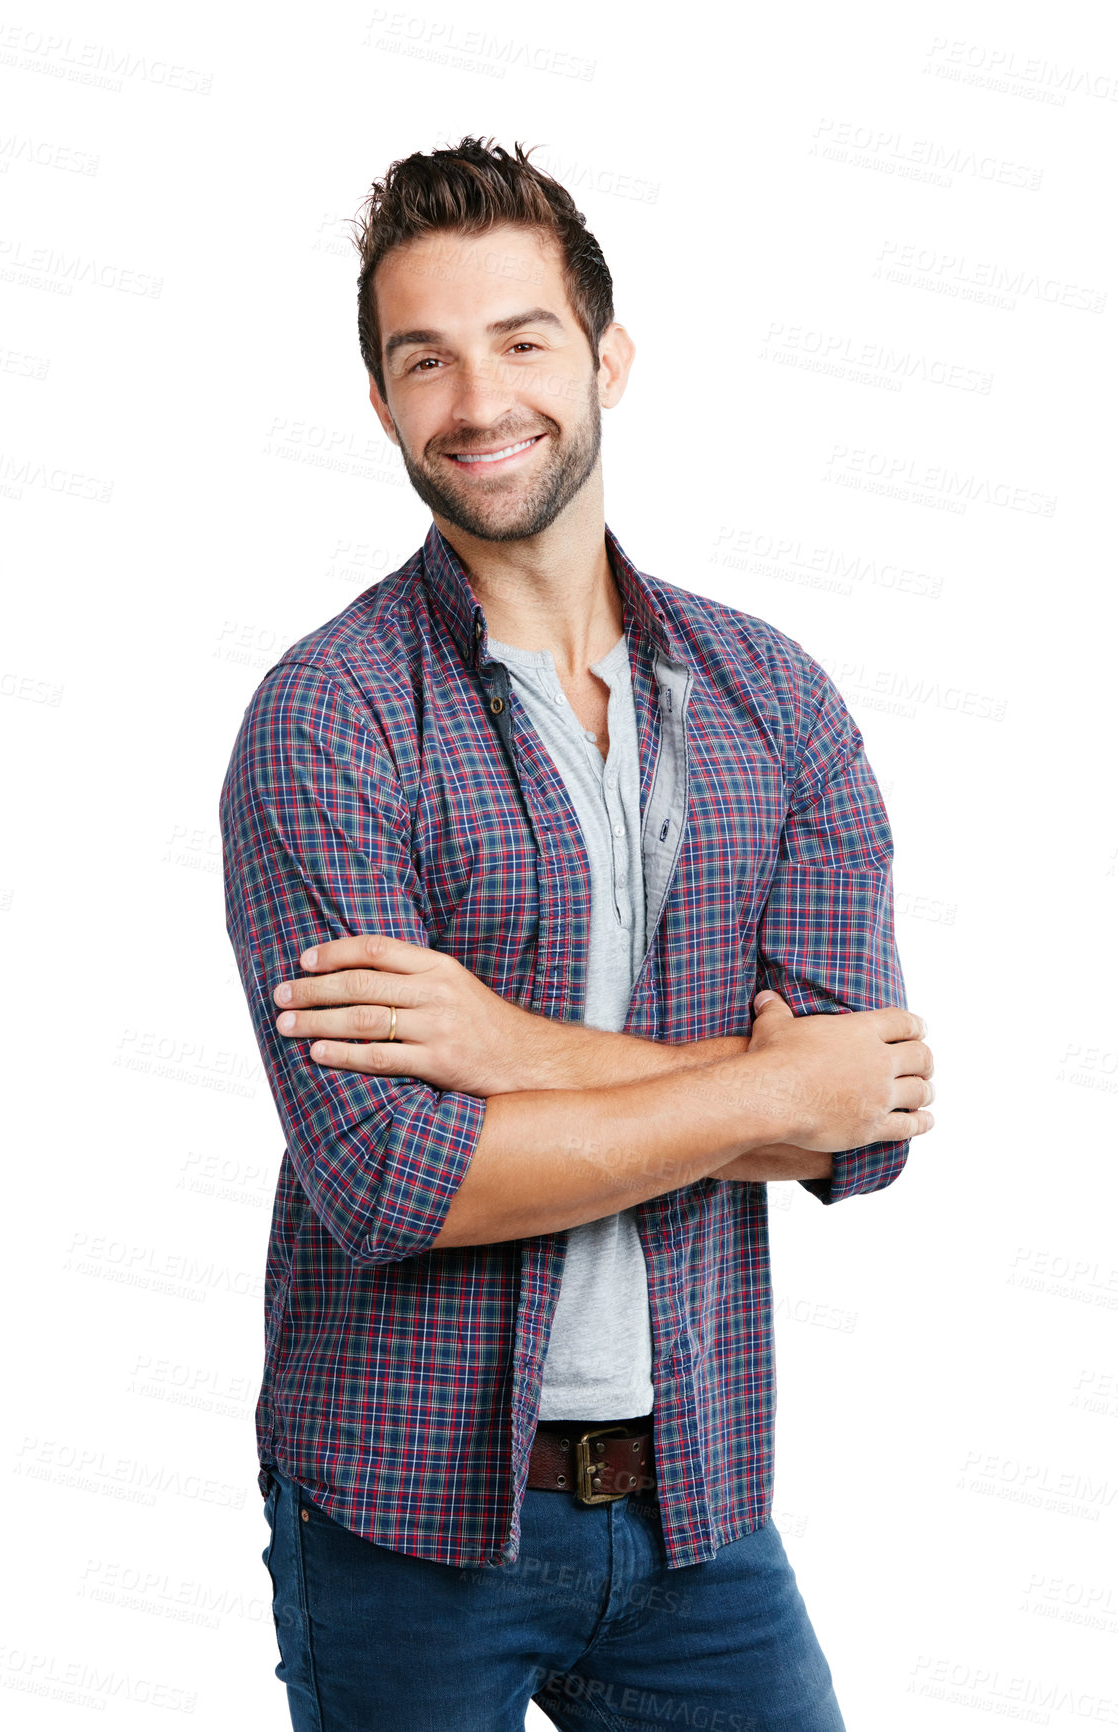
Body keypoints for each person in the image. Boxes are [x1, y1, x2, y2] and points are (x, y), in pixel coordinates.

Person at [219, 136, 935, 1732]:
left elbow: (869, 1125)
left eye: (523, 339)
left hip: (700, 1502)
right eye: (427, 359)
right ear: (383, 400)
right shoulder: (326, 726)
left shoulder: (774, 701)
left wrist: (518, 1053)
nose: (480, 400)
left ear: (605, 354)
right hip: (400, 1519)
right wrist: (770, 1097)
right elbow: (397, 1180)